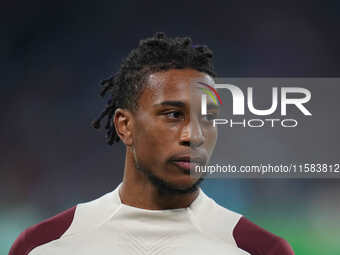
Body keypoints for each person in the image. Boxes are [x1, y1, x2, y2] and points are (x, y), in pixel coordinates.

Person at [9, 32, 294, 255]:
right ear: (125, 126)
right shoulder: (43, 247)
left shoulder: (261, 250)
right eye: (173, 114)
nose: (194, 135)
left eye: (208, 118)